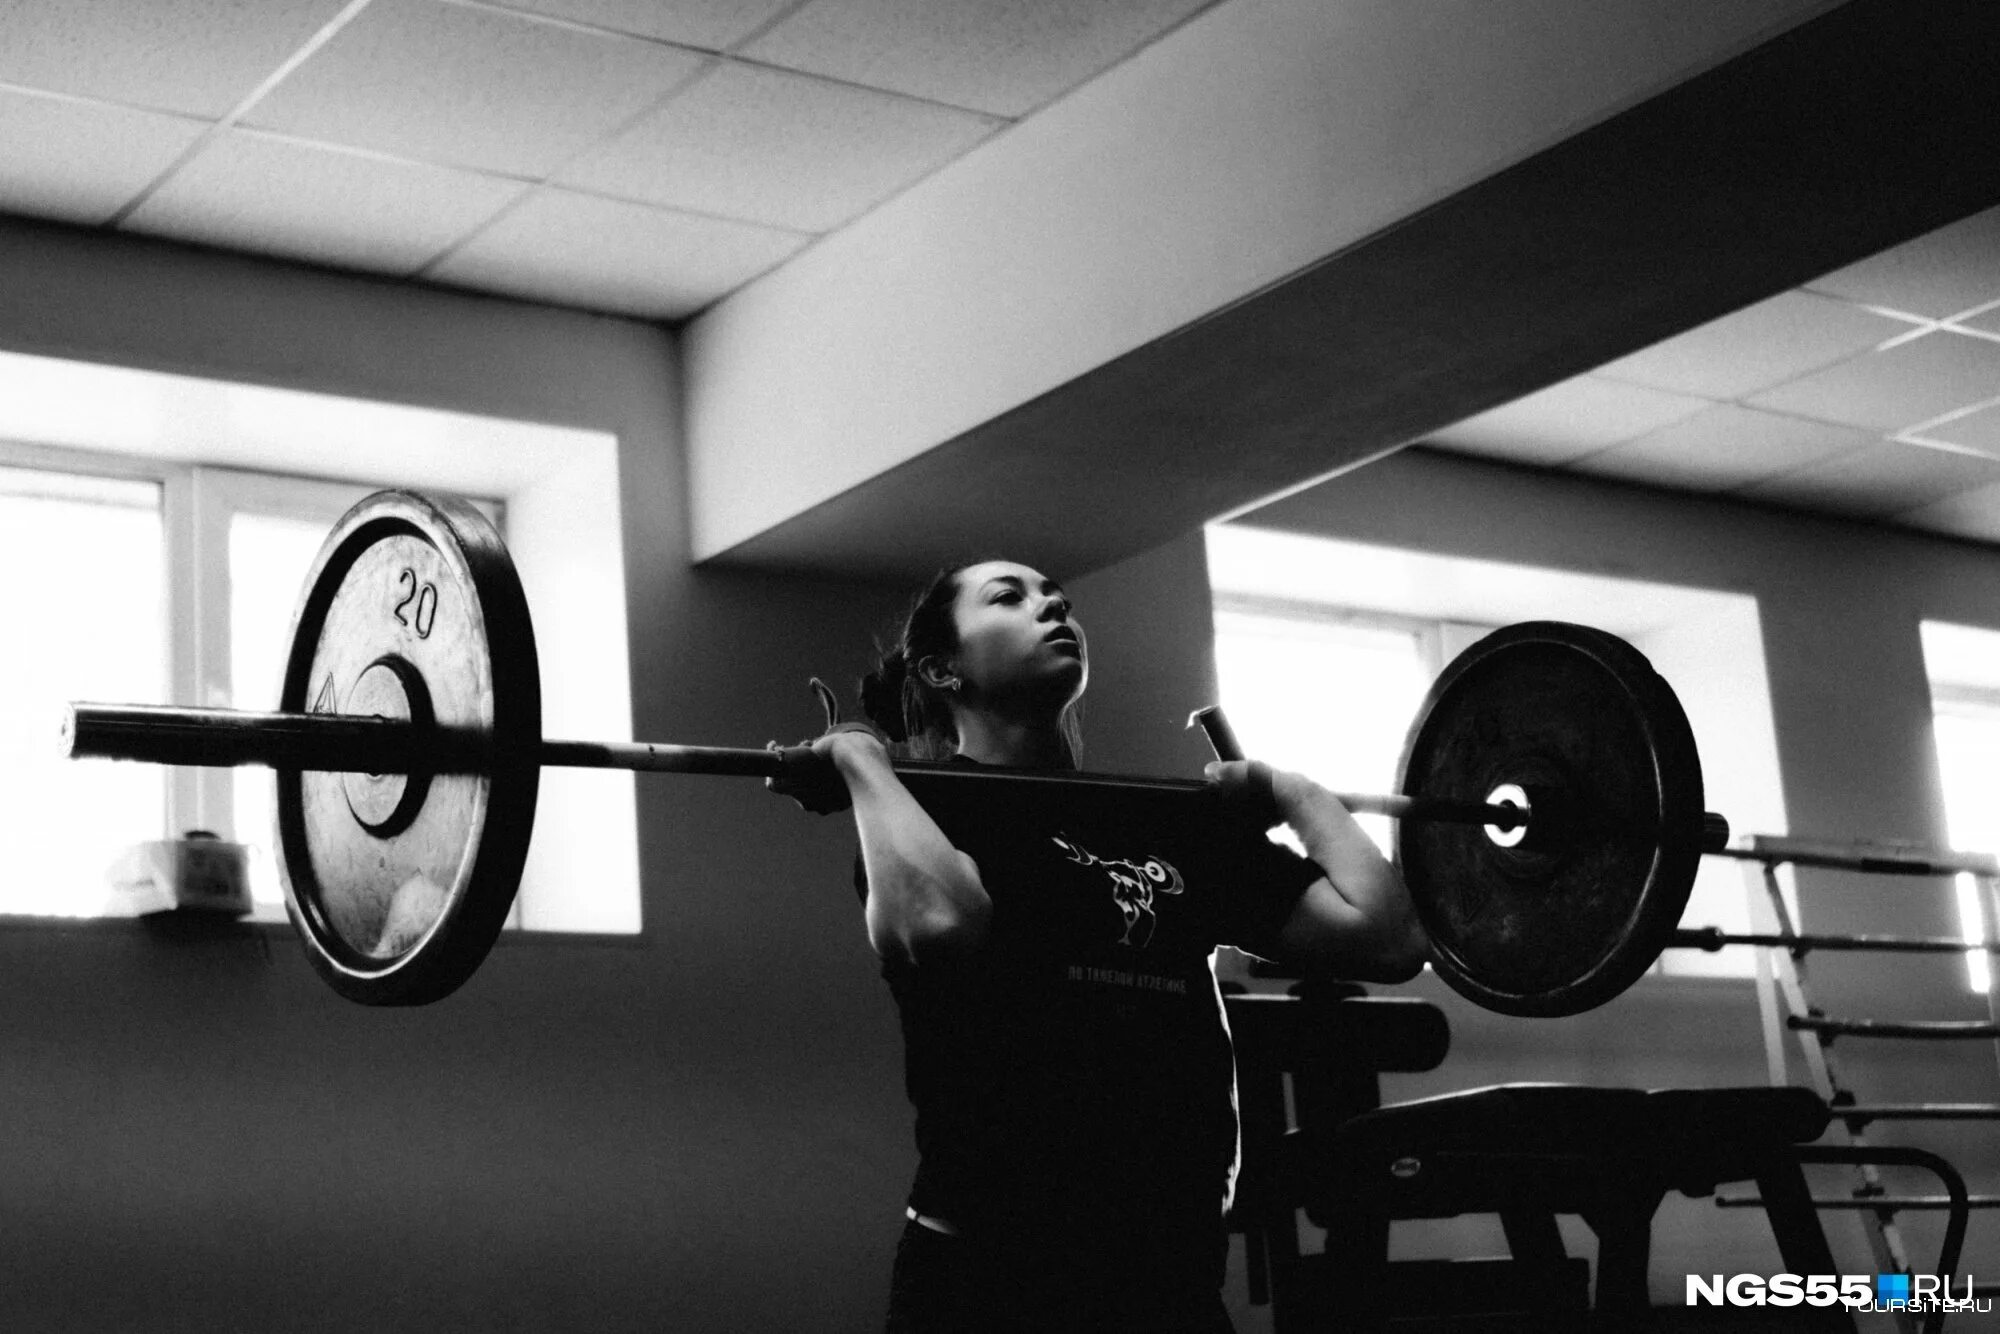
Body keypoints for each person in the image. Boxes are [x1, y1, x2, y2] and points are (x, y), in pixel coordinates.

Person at [790, 558, 1428, 1332]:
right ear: (941, 669)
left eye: (1057, 599)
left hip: (1167, 1277)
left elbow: (1388, 938)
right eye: (1009, 598)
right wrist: (862, 761)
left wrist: (1294, 794)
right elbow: (939, 923)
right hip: (989, 1278)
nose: (1052, 608)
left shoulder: (1170, 824)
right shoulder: (920, 817)